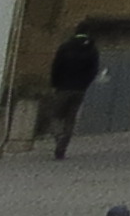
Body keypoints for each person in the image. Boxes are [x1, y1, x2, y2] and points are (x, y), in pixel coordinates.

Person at [38, 31, 102, 159]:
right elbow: (94, 70)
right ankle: (63, 147)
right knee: (70, 118)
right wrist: (85, 84)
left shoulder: (65, 47)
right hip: (80, 89)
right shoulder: (92, 50)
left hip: (63, 87)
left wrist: (55, 84)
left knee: (54, 115)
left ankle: (58, 135)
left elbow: (56, 67)